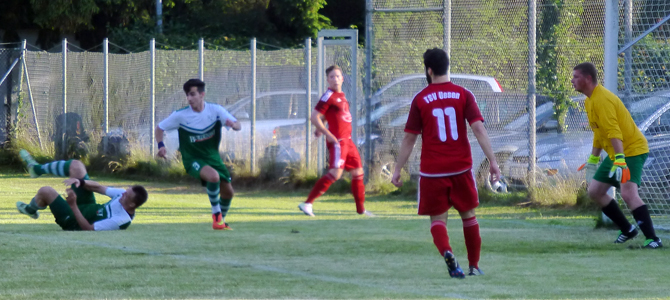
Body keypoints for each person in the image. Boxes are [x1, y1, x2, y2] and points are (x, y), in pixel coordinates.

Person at [391, 48, 501, 278]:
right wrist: (492, 160)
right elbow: (478, 128)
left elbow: (409, 138)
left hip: (432, 171)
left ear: (429, 70)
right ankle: (474, 266)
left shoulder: (420, 99)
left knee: (438, 220)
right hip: (461, 167)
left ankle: (448, 252)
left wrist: (397, 168)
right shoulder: (464, 94)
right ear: (446, 67)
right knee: (469, 216)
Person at [572, 62, 662, 249]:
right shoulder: (590, 100)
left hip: (631, 151)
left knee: (629, 193)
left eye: (576, 77)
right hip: (617, 153)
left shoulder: (602, 100)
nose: (572, 81)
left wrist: (620, 160)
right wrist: (593, 159)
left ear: (588, 79)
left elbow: (614, 132)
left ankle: (653, 239)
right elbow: (599, 132)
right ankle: (627, 229)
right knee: (595, 191)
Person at [155, 79, 241, 230]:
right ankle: (216, 217)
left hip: (213, 157)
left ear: (202, 95)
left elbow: (237, 124)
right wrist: (161, 146)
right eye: (187, 95)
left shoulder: (215, 110)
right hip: (192, 158)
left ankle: (221, 222)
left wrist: (234, 125)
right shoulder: (180, 115)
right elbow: (159, 128)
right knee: (213, 177)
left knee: (228, 193)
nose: (189, 98)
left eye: (193, 94)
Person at [298, 65, 373, 217]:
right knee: (335, 173)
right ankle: (307, 204)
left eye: (337, 76)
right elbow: (314, 116)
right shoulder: (328, 96)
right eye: (332, 77)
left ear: (342, 78)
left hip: (349, 141)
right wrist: (327, 133)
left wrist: (321, 128)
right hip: (338, 141)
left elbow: (327, 116)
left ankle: (361, 210)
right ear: (327, 80)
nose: (335, 79)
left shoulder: (342, 96)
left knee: (358, 172)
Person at [16, 150, 148, 231]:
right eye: (126, 191)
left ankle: (30, 209)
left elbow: (88, 229)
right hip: (87, 206)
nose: (123, 193)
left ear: (131, 205)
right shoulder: (122, 195)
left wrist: (73, 205)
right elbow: (98, 187)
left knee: (46, 191)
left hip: (73, 221)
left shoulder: (121, 220)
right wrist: (81, 182)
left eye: (127, 195)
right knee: (77, 166)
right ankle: (36, 169)